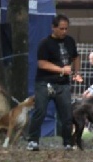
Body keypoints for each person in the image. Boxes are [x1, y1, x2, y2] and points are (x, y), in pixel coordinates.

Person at [26, 14, 83, 151]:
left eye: (66, 29)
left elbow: (75, 57)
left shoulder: (70, 41)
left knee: (67, 114)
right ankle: (33, 141)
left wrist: (76, 73)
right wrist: (62, 70)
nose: (64, 31)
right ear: (53, 28)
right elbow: (42, 64)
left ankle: (67, 142)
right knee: (40, 111)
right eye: (61, 29)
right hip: (45, 82)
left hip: (63, 84)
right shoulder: (45, 43)